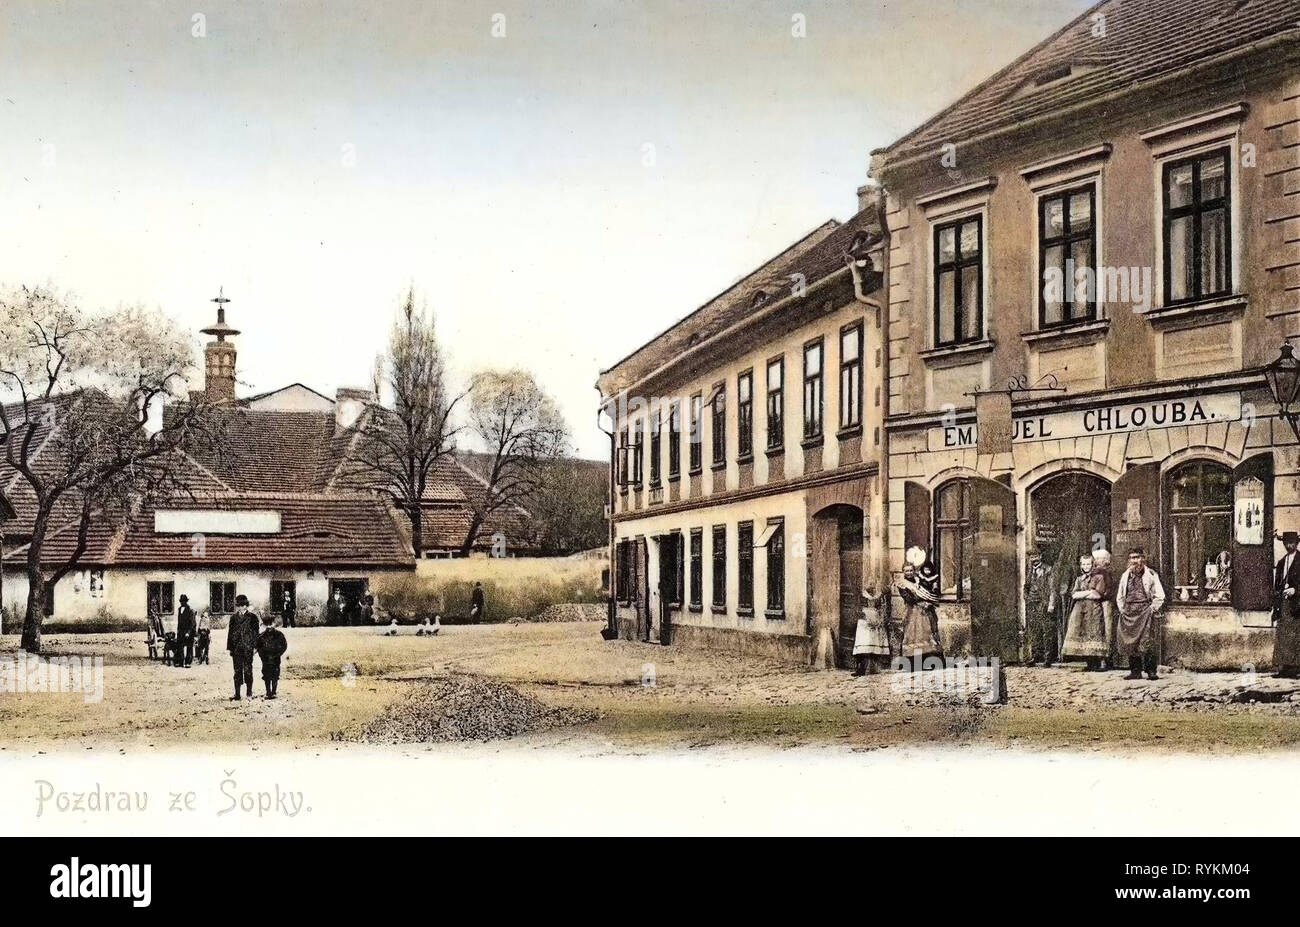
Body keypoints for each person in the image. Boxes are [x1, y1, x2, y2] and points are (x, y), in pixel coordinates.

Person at [1115, 547, 1166, 680]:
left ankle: (1151, 671)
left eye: (1138, 557)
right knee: (1130, 642)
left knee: (1147, 642)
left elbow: (1160, 595)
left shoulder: (1151, 574)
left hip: (1145, 612)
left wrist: (1152, 609)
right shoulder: (1125, 576)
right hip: (1129, 612)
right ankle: (1135, 672)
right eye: (1132, 558)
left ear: (1143, 559)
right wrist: (1122, 609)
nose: (1135, 561)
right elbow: (1120, 595)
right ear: (1129, 560)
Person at [1061, 552, 1108, 670]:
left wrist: (1084, 594)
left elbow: (1097, 594)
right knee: (1082, 634)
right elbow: (1074, 594)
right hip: (1080, 609)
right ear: (1081, 565)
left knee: (1094, 632)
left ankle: (1096, 663)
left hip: (1094, 609)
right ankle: (1088, 663)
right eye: (1084, 564)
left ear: (1092, 565)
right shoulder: (1079, 579)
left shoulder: (1099, 578)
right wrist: (1088, 592)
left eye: (1088, 564)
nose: (1086, 566)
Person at [897, 549, 942, 669]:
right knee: (912, 636)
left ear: (914, 570)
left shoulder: (919, 580)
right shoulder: (902, 584)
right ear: (903, 572)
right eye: (906, 571)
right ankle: (912, 664)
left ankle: (927, 662)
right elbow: (909, 598)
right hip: (912, 612)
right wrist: (922, 602)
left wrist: (928, 602)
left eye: (911, 570)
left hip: (923, 612)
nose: (909, 573)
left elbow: (927, 591)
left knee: (925, 635)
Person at [1272, 531, 1300, 677]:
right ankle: (1284, 669)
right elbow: (1277, 584)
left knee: (1295, 635)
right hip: (1283, 604)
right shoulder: (1282, 561)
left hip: (1296, 605)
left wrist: (1296, 590)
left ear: (1297, 543)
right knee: (1282, 635)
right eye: (1287, 543)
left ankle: (1296, 669)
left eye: (1292, 543)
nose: (1289, 545)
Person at [226, 594, 261, 700]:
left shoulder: (253, 618)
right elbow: (230, 633)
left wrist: (255, 646)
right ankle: (237, 694)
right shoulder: (233, 618)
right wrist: (230, 647)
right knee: (237, 671)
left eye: (243, 605)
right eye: (239, 605)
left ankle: (249, 693)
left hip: (248, 648)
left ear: (247, 605)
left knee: (248, 670)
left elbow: (256, 634)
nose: (242, 607)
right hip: (237, 648)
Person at [852, 587, 891, 676]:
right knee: (863, 646)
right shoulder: (861, 596)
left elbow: (883, 609)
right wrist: (865, 615)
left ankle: (873, 668)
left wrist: (880, 620)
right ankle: (861, 669)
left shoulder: (881, 595)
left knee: (874, 646)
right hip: (864, 622)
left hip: (876, 622)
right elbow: (858, 609)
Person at [256, 612, 288, 699]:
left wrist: (275, 655)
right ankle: (270, 692)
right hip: (269, 659)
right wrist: (265, 656)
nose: (269, 626)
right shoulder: (263, 636)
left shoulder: (277, 635)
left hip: (271, 659)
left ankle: (271, 692)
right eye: (268, 624)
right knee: (270, 674)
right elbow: (259, 648)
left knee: (271, 675)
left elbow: (283, 646)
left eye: (270, 624)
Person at [176, 595, 197, 668]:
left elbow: (192, 623)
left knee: (189, 647)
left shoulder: (190, 610)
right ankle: (180, 662)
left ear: (186, 601)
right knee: (180, 646)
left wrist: (188, 632)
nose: (182, 603)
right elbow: (179, 621)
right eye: (181, 601)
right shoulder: (179, 609)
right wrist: (178, 630)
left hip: (189, 632)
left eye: (183, 601)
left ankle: (188, 662)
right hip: (181, 631)